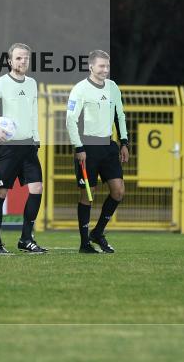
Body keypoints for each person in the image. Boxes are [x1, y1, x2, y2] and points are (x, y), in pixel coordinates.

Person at [0, 42, 46, 254]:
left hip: (28, 146)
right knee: (1, 192)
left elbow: (33, 112)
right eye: (18, 58)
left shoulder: (32, 83)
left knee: (37, 189)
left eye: (25, 58)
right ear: (9, 61)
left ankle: (26, 238)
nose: (22, 61)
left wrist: (36, 137)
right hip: (6, 148)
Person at [66, 50, 129, 254]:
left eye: (107, 66)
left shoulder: (113, 88)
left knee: (118, 191)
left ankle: (98, 232)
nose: (105, 70)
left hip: (108, 147)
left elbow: (120, 116)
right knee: (88, 195)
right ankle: (85, 243)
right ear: (91, 67)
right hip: (87, 148)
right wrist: (79, 147)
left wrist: (124, 142)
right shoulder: (80, 89)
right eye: (101, 66)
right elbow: (70, 120)